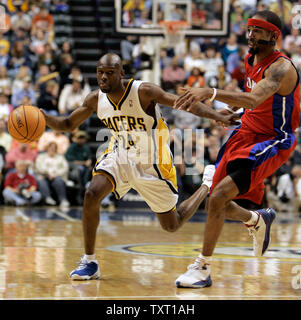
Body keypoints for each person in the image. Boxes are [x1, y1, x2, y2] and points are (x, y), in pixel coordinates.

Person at [40, 53, 238, 280]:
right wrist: (42, 116)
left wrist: (215, 115)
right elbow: (67, 124)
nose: (103, 77)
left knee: (172, 225)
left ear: (122, 73)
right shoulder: (95, 99)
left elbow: (184, 104)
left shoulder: (143, 91)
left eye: (110, 73)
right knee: (91, 193)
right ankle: (89, 261)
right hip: (120, 155)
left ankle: (205, 184)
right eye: (100, 72)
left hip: (152, 160)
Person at [173, 10, 300, 288]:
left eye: (258, 30)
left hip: (271, 140)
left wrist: (212, 92)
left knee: (217, 196)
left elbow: (255, 98)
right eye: (250, 29)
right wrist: (230, 110)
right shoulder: (250, 58)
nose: (251, 34)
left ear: (274, 36)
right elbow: (249, 96)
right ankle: (256, 219)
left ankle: (202, 268)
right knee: (215, 203)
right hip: (244, 131)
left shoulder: (282, 68)